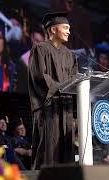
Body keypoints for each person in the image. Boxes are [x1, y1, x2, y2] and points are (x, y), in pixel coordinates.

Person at [28, 12, 78, 169]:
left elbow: (75, 80)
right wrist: (62, 88)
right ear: (53, 29)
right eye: (66, 27)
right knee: (47, 153)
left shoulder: (70, 55)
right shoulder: (40, 49)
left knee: (67, 156)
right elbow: (39, 78)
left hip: (67, 111)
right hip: (48, 109)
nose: (69, 31)